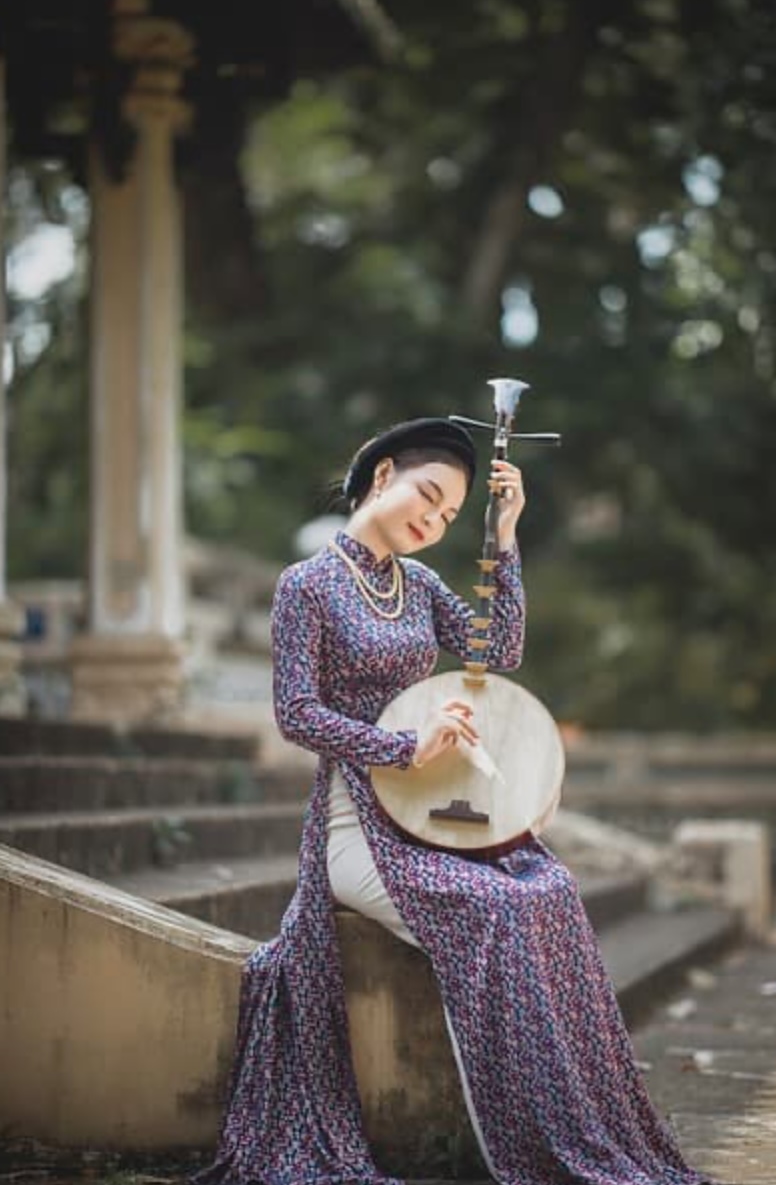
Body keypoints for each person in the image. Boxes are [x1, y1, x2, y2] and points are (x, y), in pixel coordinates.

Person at [195, 417, 712, 1185]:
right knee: (495, 910)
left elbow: (498, 652)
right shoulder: (306, 584)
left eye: (447, 515)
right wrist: (404, 745)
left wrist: (504, 533)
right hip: (354, 826)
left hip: (430, 812)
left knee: (551, 887)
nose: (433, 520)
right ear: (383, 476)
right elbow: (296, 713)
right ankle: (530, 1145)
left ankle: (586, 1129)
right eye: (428, 496)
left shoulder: (420, 584)